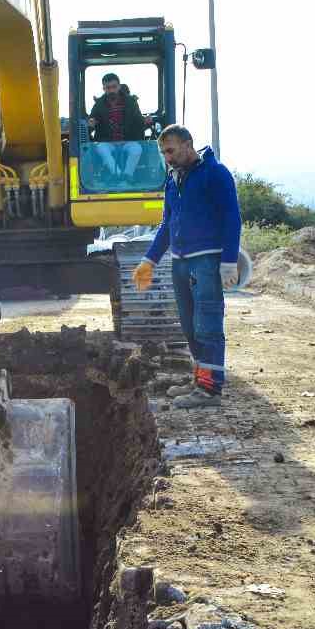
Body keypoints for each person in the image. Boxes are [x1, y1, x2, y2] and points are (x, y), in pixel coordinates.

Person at [131, 125, 242, 409]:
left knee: (207, 325)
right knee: (190, 327)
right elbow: (167, 225)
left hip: (206, 260)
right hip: (180, 262)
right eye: (163, 152)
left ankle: (209, 390)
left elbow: (232, 218)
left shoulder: (215, 174)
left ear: (188, 144)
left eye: (170, 150)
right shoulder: (173, 180)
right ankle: (199, 379)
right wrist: (149, 260)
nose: (166, 157)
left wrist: (229, 261)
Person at [87, 73, 148, 180]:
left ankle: (128, 175)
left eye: (114, 87)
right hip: (108, 142)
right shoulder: (99, 104)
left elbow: (138, 120)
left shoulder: (131, 102)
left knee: (137, 149)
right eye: (108, 88)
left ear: (119, 86)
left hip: (127, 140)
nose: (111, 90)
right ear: (104, 88)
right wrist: (92, 122)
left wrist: (145, 121)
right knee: (101, 148)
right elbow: (92, 119)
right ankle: (118, 175)